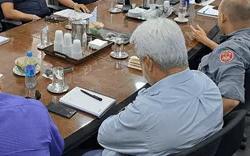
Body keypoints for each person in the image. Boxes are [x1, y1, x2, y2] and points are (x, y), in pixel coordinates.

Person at [86, 18, 223, 156]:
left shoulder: (144, 113)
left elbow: (104, 135)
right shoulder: (209, 85)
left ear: (148, 62)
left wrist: (129, 110)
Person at [191, 0, 250, 114]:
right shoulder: (240, 43)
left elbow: (231, 100)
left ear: (223, 17)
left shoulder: (230, 51)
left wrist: (197, 120)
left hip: (204, 107)